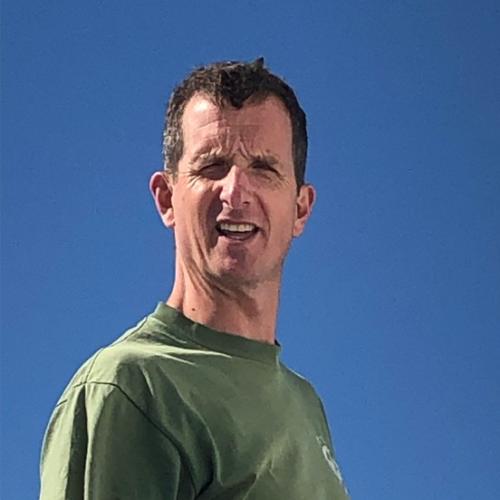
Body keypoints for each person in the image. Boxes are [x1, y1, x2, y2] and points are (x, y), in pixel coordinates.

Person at [39, 58, 350, 499]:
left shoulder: (304, 401)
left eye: (263, 168)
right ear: (167, 198)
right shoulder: (132, 387)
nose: (236, 191)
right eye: (212, 166)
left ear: (301, 208)